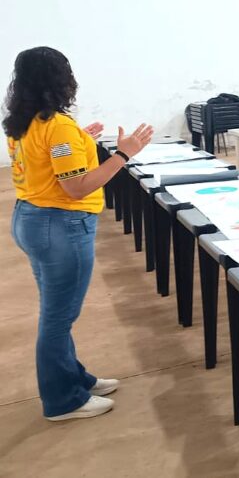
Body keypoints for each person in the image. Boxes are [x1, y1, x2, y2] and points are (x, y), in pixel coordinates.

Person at [4, 46, 154, 421]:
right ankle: (62, 401)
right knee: (58, 318)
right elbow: (76, 187)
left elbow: (45, 160)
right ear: (61, 79)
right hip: (60, 225)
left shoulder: (23, 121)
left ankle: (74, 378)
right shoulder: (57, 126)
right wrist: (124, 154)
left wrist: (82, 141)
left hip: (31, 218)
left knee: (56, 311)